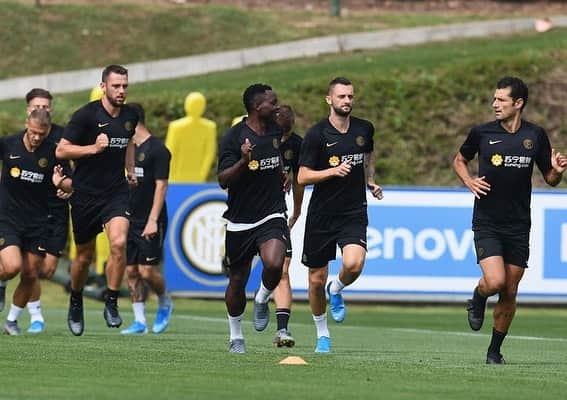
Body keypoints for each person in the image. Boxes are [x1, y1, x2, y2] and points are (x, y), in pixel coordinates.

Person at [453, 76, 567, 364]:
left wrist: (556, 170)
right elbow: (459, 160)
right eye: (494, 99)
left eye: (501, 100)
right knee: (494, 281)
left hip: (518, 225)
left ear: (519, 104)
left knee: (510, 290)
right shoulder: (481, 132)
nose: (495, 104)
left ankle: (494, 352)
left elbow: (550, 179)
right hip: (487, 221)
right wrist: (469, 181)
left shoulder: (535, 136)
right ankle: (478, 297)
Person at [297, 77, 383, 353]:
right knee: (314, 280)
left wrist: (370, 179)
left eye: (350, 97)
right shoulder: (316, 135)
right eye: (341, 97)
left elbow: (369, 153)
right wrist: (332, 171)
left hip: (352, 211)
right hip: (322, 215)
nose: (347, 101)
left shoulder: (364, 128)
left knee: (355, 263)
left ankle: (337, 289)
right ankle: (322, 334)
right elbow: (302, 176)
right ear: (329, 100)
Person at [56, 64, 138, 336]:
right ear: (103, 86)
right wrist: (94, 147)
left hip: (116, 192)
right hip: (85, 194)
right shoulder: (85, 116)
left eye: (124, 85)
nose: (121, 91)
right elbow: (61, 150)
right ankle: (76, 299)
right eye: (116, 86)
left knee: (118, 243)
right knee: (83, 257)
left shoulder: (131, 115)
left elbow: (128, 142)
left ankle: (111, 302)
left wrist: (130, 170)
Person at [218, 83, 288, 353]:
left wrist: (282, 172)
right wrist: (243, 161)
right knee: (237, 281)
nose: (278, 106)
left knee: (274, 263)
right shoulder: (233, 138)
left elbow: (276, 155)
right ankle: (236, 336)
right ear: (258, 107)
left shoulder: (275, 129)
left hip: (272, 212)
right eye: (273, 102)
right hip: (240, 220)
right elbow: (223, 180)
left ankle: (262, 298)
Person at [0, 109, 73, 335]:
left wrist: (61, 184)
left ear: (48, 131)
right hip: (8, 218)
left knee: (31, 274)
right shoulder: (8, 144)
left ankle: (11, 321)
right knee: (12, 267)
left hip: (38, 222)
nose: (36, 137)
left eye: (41, 134)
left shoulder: (54, 153)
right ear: (26, 125)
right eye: (33, 132)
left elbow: (70, 184)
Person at [120, 103, 173, 335]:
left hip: (151, 219)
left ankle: (164, 301)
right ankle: (139, 321)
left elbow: (161, 187)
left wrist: (152, 220)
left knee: (147, 271)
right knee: (131, 271)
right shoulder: (127, 149)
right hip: (128, 218)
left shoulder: (158, 150)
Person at [271, 104, 304, 348]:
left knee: (282, 269)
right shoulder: (255, 138)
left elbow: (300, 179)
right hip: (248, 212)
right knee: (237, 271)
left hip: (277, 212)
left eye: (286, 135)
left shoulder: (297, 145)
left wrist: (297, 209)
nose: (282, 139)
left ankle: (282, 330)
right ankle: (261, 298)